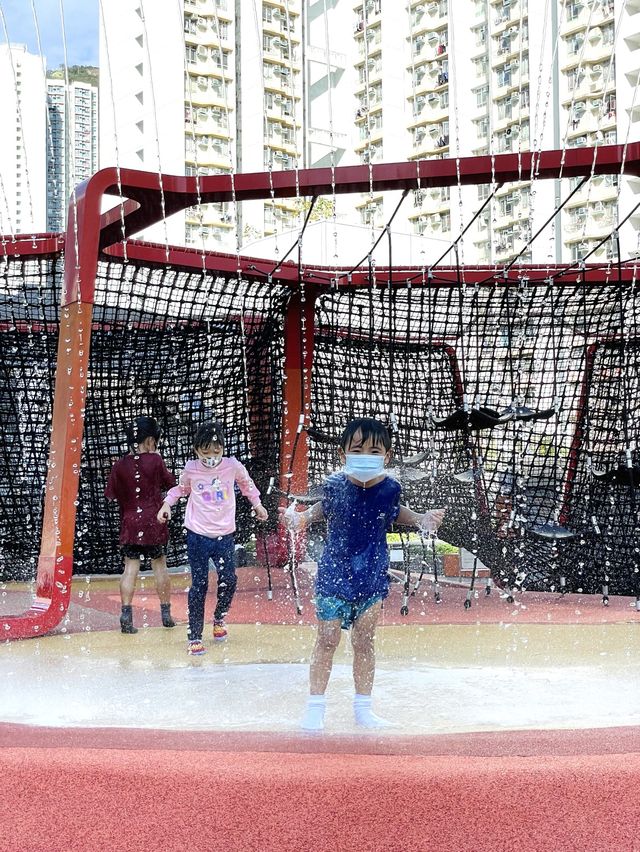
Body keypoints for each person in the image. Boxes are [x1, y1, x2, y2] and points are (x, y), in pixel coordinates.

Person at [280, 417, 445, 731]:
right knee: (327, 640)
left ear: (387, 455)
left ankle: (363, 709)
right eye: (357, 449)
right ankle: (315, 708)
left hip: (371, 576)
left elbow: (398, 514)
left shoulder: (389, 489)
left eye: (374, 450)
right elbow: (315, 513)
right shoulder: (334, 487)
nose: (365, 455)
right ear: (343, 455)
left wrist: (422, 518)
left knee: (364, 641)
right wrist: (296, 520)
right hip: (334, 575)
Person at [158, 421, 268, 655]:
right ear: (197, 450)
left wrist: (257, 505)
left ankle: (219, 617)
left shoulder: (232, 466)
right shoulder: (192, 468)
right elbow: (180, 490)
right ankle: (195, 635)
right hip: (197, 534)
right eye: (205, 452)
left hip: (225, 535)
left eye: (216, 451)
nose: (211, 457)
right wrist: (167, 504)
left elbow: (247, 485)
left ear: (223, 448)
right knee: (200, 585)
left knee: (229, 579)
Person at [105, 416, 177, 635]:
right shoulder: (155, 461)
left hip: (129, 524)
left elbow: (111, 495)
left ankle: (126, 614)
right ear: (148, 440)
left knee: (130, 568)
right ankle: (166, 614)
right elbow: (171, 483)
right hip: (154, 522)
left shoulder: (119, 465)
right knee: (159, 565)